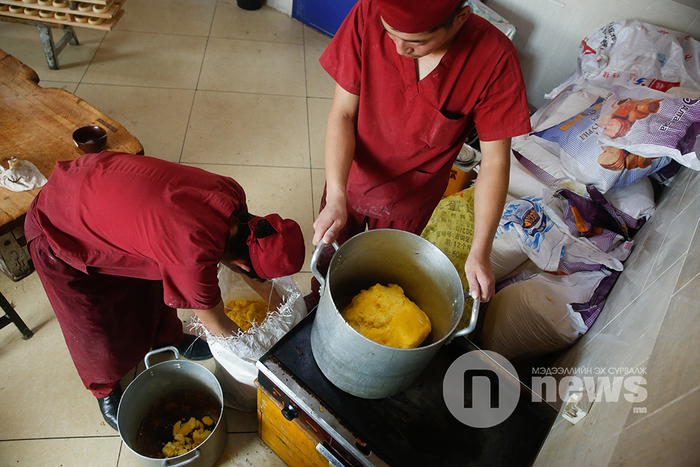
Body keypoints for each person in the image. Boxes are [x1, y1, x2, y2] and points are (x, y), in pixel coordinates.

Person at [25, 151, 305, 430]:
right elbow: (218, 324)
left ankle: (166, 338)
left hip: (99, 185)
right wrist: (261, 353)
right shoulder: (191, 252)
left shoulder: (232, 197)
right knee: (92, 323)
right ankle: (104, 387)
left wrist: (289, 325)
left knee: (152, 286)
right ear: (241, 263)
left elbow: (250, 267)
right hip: (59, 223)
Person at [310, 0, 531, 305]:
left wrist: (479, 252)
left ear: (460, 18)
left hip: (410, 202)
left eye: (417, 41)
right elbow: (343, 114)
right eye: (390, 34)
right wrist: (335, 197)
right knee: (328, 267)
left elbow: (495, 162)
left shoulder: (494, 58)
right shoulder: (368, 12)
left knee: (379, 280)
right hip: (349, 179)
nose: (400, 49)